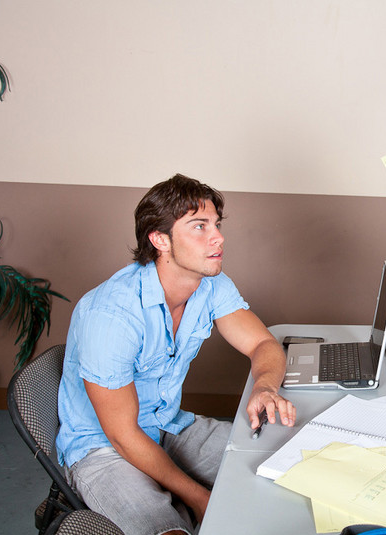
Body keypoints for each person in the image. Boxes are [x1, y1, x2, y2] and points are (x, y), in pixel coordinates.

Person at [56, 174, 296, 535]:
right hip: (103, 447)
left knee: (289, 463)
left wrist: (264, 387)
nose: (218, 237)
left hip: (168, 425)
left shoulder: (211, 284)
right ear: (160, 240)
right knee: (170, 531)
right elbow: (122, 435)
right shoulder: (111, 315)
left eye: (216, 224)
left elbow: (263, 344)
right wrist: (199, 497)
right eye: (199, 226)